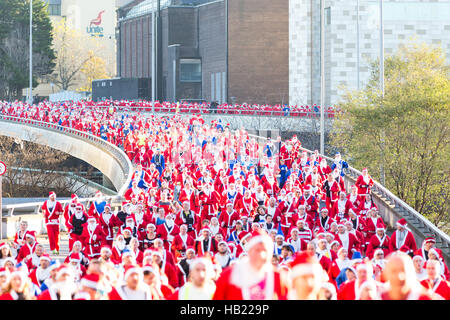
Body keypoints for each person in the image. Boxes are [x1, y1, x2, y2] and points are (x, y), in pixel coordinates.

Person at [213, 229, 288, 300]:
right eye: (257, 250)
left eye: (265, 250)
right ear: (249, 251)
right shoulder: (230, 276)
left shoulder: (278, 278)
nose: (262, 255)